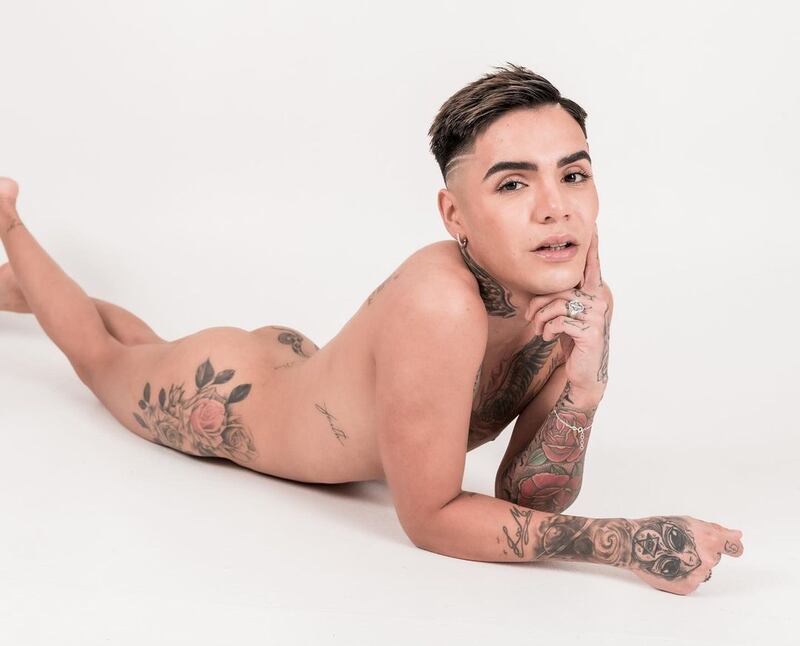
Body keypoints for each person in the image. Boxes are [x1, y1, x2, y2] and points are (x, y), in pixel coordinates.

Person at [0, 63, 743, 595]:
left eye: (573, 174)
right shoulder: (440, 303)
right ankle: (10, 223)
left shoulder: (578, 298)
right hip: (232, 400)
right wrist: (630, 544)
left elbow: (527, 499)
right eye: (514, 183)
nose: (556, 207)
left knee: (141, 345)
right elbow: (430, 519)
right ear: (455, 215)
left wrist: (584, 390)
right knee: (102, 357)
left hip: (308, 372)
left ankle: (26, 290)